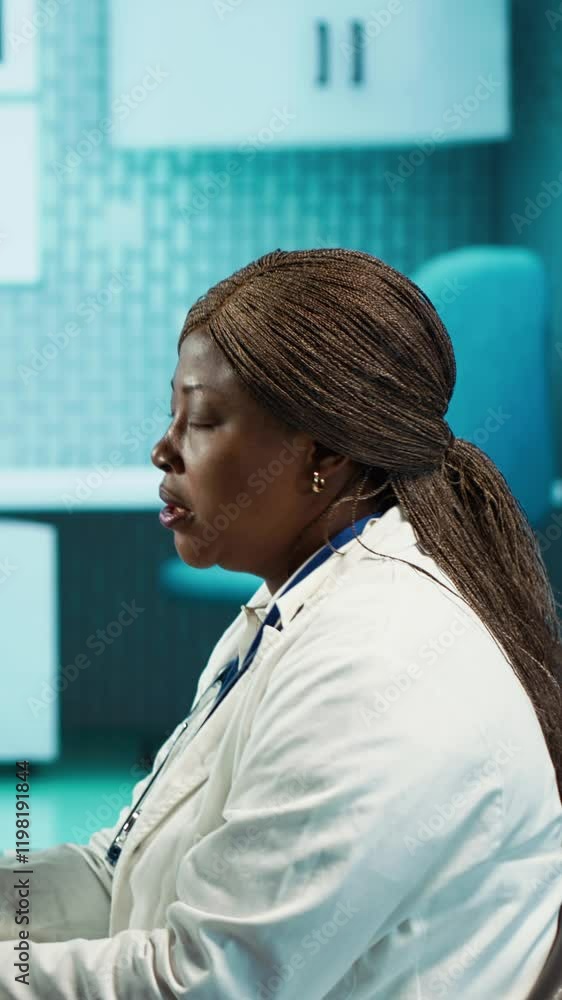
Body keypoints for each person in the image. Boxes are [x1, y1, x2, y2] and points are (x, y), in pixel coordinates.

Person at [0, 247, 561, 997]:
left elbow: (205, 985)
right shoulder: (286, 610)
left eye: (200, 420)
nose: (163, 448)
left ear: (321, 454)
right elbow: (121, 874)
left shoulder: (375, 661)